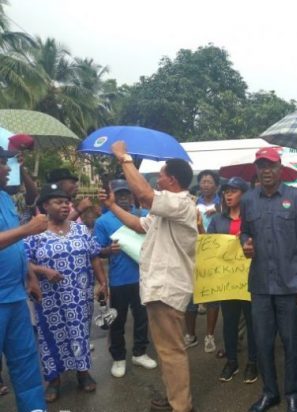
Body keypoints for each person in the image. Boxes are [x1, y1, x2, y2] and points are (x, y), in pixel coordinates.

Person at [99, 141, 197, 412]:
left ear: (173, 180)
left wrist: (124, 158)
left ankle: (181, 406)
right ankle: (174, 396)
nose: (158, 179)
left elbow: (143, 194)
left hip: (167, 289)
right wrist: (111, 207)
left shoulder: (179, 202)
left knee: (171, 351)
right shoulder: (167, 208)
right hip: (160, 288)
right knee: (166, 350)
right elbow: (138, 225)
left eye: (162, 175)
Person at [240, 147, 297, 412]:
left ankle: (293, 394)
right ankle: (269, 392)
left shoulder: (296, 199)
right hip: (260, 285)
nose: (266, 171)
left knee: (291, 342)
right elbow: (244, 233)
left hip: (289, 284)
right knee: (262, 342)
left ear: (280, 168)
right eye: (261, 166)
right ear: (256, 170)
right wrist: (245, 244)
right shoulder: (248, 200)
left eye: (271, 166)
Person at [25, 184, 108, 403]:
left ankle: (83, 372)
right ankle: (54, 380)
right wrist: (43, 270)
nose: (64, 206)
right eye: (58, 202)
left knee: (79, 333)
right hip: (49, 299)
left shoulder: (80, 230)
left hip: (79, 296)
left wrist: (102, 281)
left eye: (66, 202)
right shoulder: (34, 233)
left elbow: (94, 255)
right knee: (50, 337)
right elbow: (23, 261)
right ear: (45, 206)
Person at [94, 179, 157, 378]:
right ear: (112, 196)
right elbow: (97, 252)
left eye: (126, 194)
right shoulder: (102, 221)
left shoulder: (144, 216)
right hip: (119, 280)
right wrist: (108, 250)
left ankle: (139, 352)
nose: (123, 198)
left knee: (142, 318)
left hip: (143, 278)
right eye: (119, 194)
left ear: (132, 196)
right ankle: (119, 358)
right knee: (118, 321)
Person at [0, 147, 47, 412]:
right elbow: (20, 235)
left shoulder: (5, 199)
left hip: (16, 295)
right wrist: (27, 229)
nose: (8, 169)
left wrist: (31, 277)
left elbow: (16, 246)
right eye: (2, 164)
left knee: (25, 361)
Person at [207, 177, 258, 384]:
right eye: (226, 191)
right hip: (227, 281)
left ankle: (253, 362)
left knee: (253, 323)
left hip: (252, 280)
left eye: (234, 191)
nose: (228, 195)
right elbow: (208, 247)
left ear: (244, 194)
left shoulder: (253, 219)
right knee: (229, 322)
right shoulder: (217, 220)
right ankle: (232, 361)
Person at [185, 169, 221, 352]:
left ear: (216, 185)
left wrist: (220, 208)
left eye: (209, 181)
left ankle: (209, 335)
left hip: (214, 255)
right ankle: (190, 335)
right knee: (190, 297)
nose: (205, 185)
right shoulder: (192, 203)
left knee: (212, 296)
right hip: (192, 255)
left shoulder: (222, 203)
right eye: (203, 181)